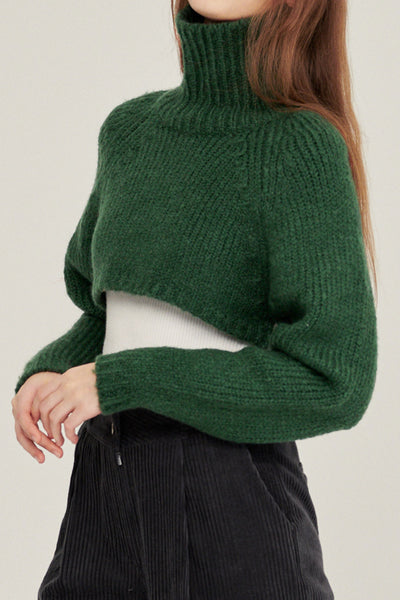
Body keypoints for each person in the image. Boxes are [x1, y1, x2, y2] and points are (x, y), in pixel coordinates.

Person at [11, 1, 378, 598]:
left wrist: (122, 379)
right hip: (107, 479)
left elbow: (334, 382)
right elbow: (112, 313)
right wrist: (51, 371)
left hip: (232, 492)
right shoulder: (130, 132)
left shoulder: (299, 145)